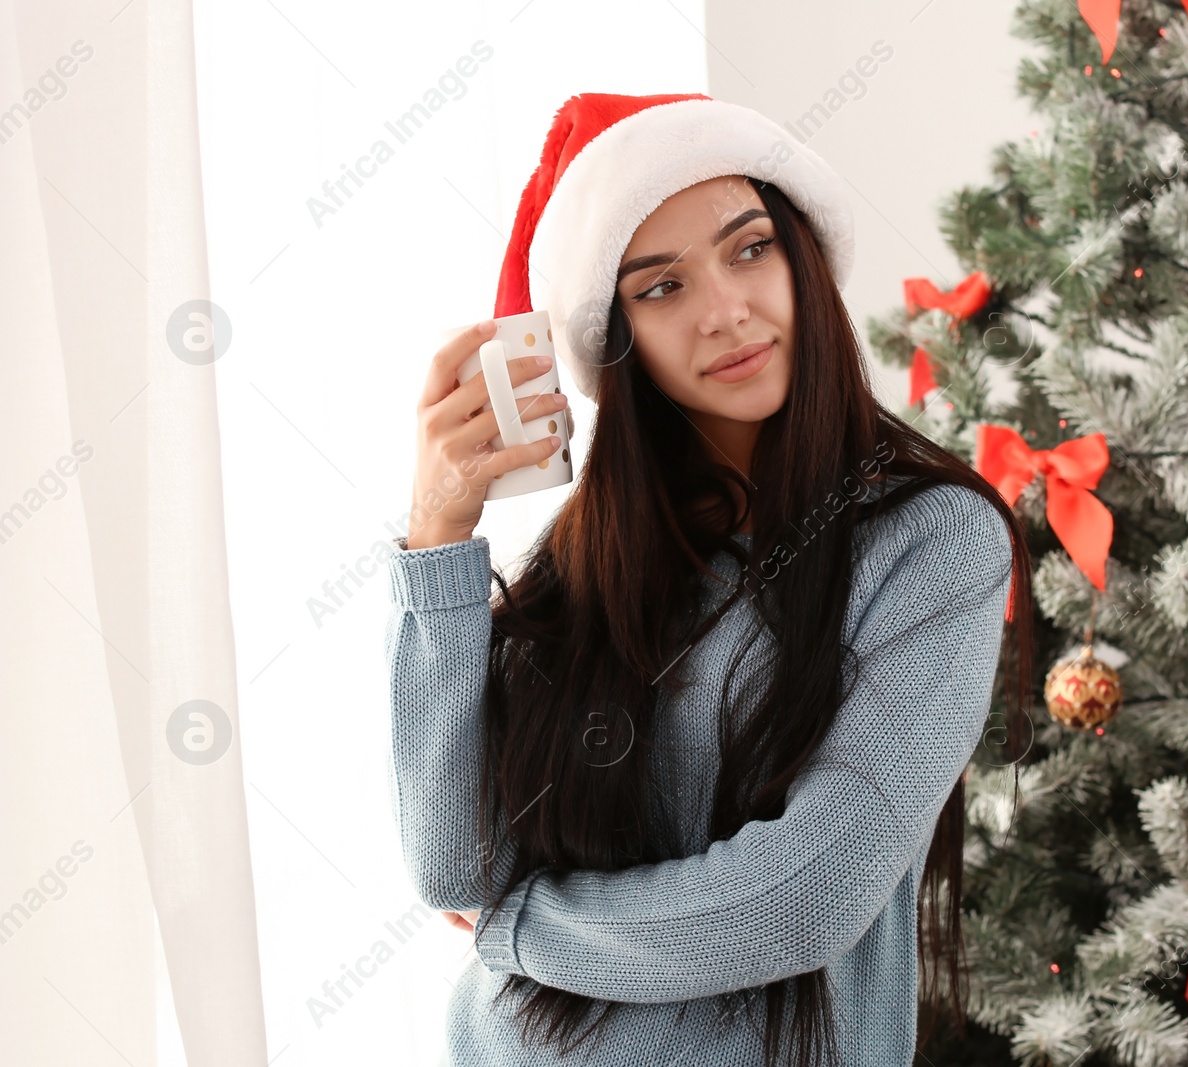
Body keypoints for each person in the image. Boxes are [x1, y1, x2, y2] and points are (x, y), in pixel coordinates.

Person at [386, 91, 1035, 1067]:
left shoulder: (931, 538)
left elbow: (799, 903)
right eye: (660, 287)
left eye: (747, 248)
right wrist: (438, 536)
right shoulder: (585, 559)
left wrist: (517, 929)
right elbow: (454, 866)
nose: (726, 310)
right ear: (619, 338)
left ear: (802, 256)